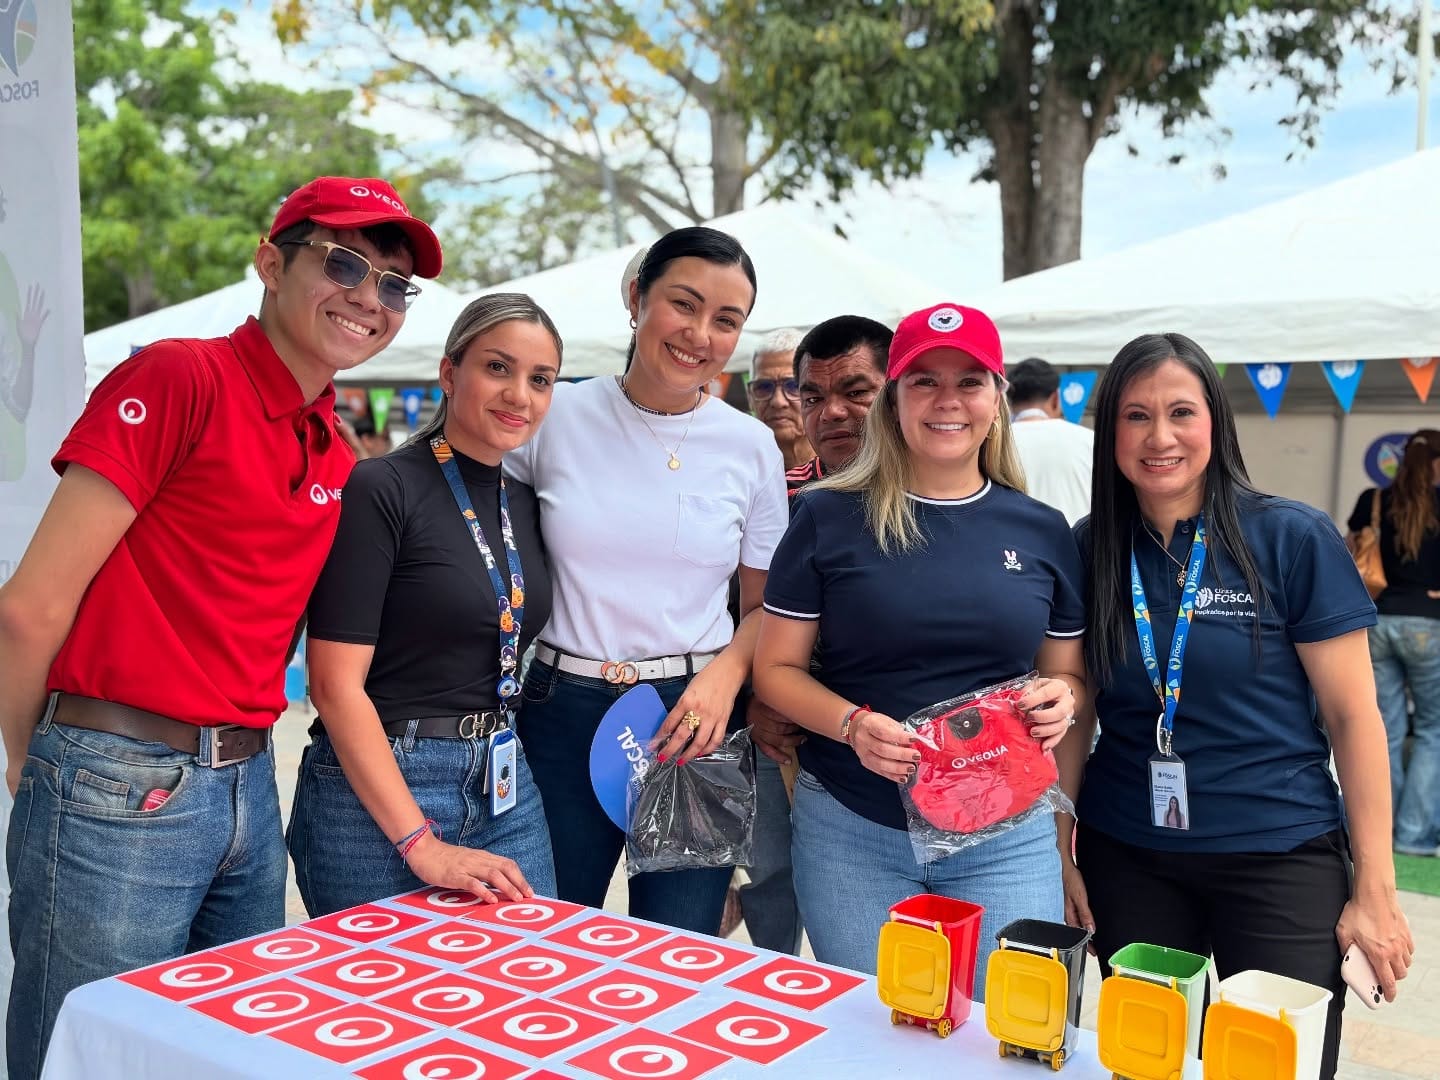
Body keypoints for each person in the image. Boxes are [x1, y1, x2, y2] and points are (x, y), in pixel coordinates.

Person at [0, 175, 441, 1080]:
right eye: (346, 262)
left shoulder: (330, 440)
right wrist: (34, 758)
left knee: (215, 1054)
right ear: (270, 264)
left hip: (243, 782)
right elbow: (27, 607)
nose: (370, 296)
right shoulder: (178, 376)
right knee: (77, 1056)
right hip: (116, 774)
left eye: (394, 282)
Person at [1061, 333, 1413, 1080]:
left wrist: (1375, 889)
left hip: (1277, 856)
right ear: (1111, 433)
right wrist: (1061, 846)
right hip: (1128, 858)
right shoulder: (1089, 547)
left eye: (1181, 412)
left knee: (1271, 1067)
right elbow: (1077, 707)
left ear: (1215, 422)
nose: (1160, 437)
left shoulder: (1289, 536)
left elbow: (1355, 718)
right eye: (1135, 416)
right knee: (1148, 1067)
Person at [754, 302, 1085, 982]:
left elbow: (1069, 675)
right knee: (884, 1035)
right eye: (923, 381)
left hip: (1007, 836)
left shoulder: (1043, 528)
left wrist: (1062, 698)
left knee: (1007, 1037)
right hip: (854, 829)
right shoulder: (825, 516)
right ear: (894, 400)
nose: (947, 400)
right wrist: (852, 725)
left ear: (997, 395)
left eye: (968, 381)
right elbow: (777, 669)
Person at [506, 227, 788, 935]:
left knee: (682, 949)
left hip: (695, 718)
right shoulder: (555, 415)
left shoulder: (751, 444)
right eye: (683, 305)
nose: (700, 334)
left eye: (726, 321)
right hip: (561, 707)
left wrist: (724, 679)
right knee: (545, 939)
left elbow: (763, 609)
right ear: (637, 299)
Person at [288, 294, 563, 915]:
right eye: (498, 368)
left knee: (522, 992)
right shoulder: (382, 486)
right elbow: (333, 687)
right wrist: (421, 844)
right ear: (448, 374)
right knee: (378, 1005)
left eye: (539, 379)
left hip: (502, 779)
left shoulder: (526, 500)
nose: (519, 394)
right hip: (381, 788)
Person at [1347, 429, 1440, 858]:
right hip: (1429, 624)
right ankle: (1413, 835)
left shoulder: (1374, 499)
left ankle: (1377, 831)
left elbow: (1348, 549)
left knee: (1383, 730)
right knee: (1432, 732)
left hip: (1377, 621)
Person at [788, 315, 890, 491]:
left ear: (898, 394)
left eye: (855, 393)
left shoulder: (943, 489)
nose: (831, 412)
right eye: (813, 399)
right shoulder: (779, 499)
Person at [1005, 357, 1094, 525]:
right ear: (1055, 399)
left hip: (1013, 549)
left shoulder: (993, 444)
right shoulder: (1091, 441)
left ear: (1009, 402)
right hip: (1081, 547)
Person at [746, 329, 812, 470]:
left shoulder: (849, 470)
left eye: (794, 386)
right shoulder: (738, 475)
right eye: (763, 387)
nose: (778, 401)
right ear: (750, 397)